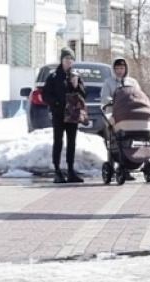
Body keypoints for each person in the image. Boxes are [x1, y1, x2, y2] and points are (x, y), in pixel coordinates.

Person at [42, 48, 86, 183]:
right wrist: (55, 102)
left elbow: (83, 94)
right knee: (58, 141)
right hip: (59, 114)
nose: (68, 61)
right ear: (61, 60)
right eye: (66, 58)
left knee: (72, 142)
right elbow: (45, 95)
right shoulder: (54, 76)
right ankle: (57, 171)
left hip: (72, 114)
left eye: (71, 59)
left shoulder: (76, 75)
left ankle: (71, 170)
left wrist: (76, 85)